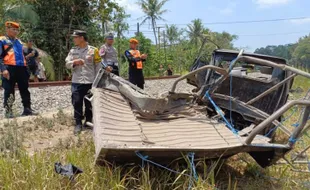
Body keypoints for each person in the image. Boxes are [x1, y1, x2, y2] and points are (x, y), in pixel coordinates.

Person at [65, 30, 111, 135]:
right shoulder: (73, 51)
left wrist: (98, 81)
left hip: (90, 81)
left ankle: (88, 121)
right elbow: (67, 64)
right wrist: (74, 62)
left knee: (89, 103)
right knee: (76, 102)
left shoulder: (94, 50)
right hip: (77, 81)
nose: (74, 39)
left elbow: (98, 66)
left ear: (81, 38)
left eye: (75, 37)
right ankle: (78, 124)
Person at [0, 21, 36, 118]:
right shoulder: (2, 40)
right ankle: (8, 111)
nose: (16, 31)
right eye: (13, 29)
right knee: (9, 90)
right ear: (7, 29)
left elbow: (24, 54)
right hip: (9, 67)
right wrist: (3, 69)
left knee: (24, 89)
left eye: (17, 30)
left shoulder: (19, 41)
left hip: (21, 68)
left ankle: (27, 109)